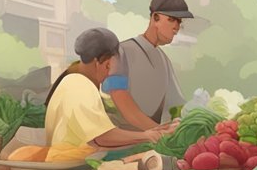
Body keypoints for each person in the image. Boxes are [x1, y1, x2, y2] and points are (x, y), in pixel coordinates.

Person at [46, 28, 175, 155]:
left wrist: (155, 131)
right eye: (109, 66)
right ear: (99, 63)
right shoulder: (79, 86)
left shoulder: (73, 81)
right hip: (70, 164)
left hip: (77, 157)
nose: (110, 72)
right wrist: (147, 136)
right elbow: (103, 137)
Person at [103, 0, 191, 128]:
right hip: (123, 142)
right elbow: (118, 95)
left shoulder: (164, 61)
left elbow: (176, 106)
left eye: (179, 22)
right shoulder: (122, 51)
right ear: (155, 17)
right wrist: (157, 131)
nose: (177, 27)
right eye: (172, 19)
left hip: (151, 143)